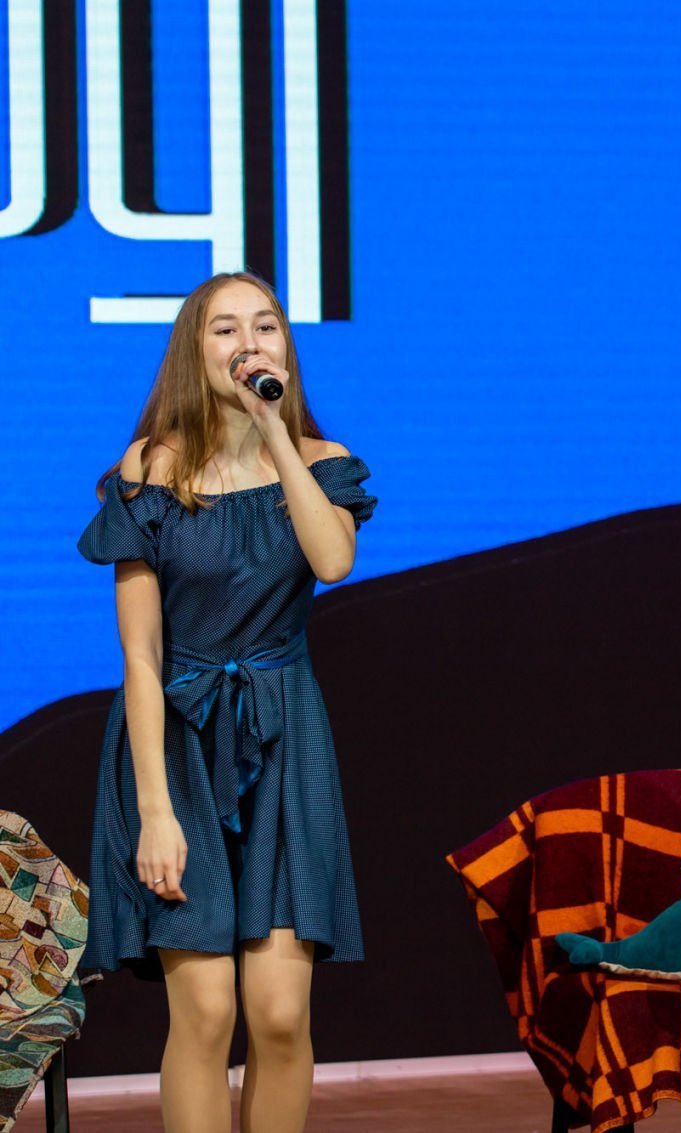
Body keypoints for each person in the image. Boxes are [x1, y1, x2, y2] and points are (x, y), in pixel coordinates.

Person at [77, 272, 375, 1133]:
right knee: (205, 1014)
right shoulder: (150, 470)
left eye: (266, 326)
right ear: (193, 351)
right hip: (177, 745)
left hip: (284, 740)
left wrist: (277, 432)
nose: (249, 343)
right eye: (225, 330)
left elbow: (333, 562)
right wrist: (154, 811)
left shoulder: (320, 460)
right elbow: (141, 655)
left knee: (279, 1014)